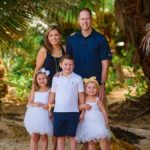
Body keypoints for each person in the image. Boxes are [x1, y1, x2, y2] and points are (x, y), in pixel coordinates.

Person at [66, 8, 112, 101]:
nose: (85, 21)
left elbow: (105, 64)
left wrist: (102, 84)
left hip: (95, 86)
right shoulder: (71, 39)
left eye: (87, 19)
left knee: (99, 114)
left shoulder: (101, 39)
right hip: (75, 86)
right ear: (78, 20)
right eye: (82, 19)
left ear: (91, 19)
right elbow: (67, 63)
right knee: (78, 115)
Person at [33, 25, 65, 150]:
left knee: (56, 123)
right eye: (51, 35)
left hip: (62, 92)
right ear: (47, 37)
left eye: (56, 35)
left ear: (60, 36)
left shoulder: (65, 49)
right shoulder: (43, 51)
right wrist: (33, 91)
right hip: (46, 92)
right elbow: (36, 72)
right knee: (47, 123)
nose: (53, 37)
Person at [49, 54, 85, 150]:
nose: (68, 67)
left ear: (74, 65)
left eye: (70, 64)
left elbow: (81, 95)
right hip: (58, 112)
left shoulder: (78, 78)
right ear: (60, 65)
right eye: (65, 64)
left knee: (73, 137)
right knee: (60, 137)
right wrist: (49, 108)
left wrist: (83, 111)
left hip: (73, 112)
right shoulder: (56, 78)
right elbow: (52, 94)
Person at [76, 77, 110, 150]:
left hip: (98, 121)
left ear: (97, 89)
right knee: (91, 142)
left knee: (102, 137)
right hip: (88, 122)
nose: (91, 90)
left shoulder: (97, 99)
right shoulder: (84, 99)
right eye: (89, 88)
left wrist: (106, 119)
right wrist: (82, 114)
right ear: (85, 89)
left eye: (94, 88)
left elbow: (103, 110)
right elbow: (82, 108)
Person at [24, 68, 53, 150]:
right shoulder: (35, 90)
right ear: (36, 80)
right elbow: (29, 102)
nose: (41, 81)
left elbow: (51, 104)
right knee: (34, 136)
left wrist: (49, 109)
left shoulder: (50, 90)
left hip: (45, 115)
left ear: (47, 79)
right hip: (35, 114)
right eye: (39, 79)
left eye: (43, 78)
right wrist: (35, 103)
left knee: (44, 136)